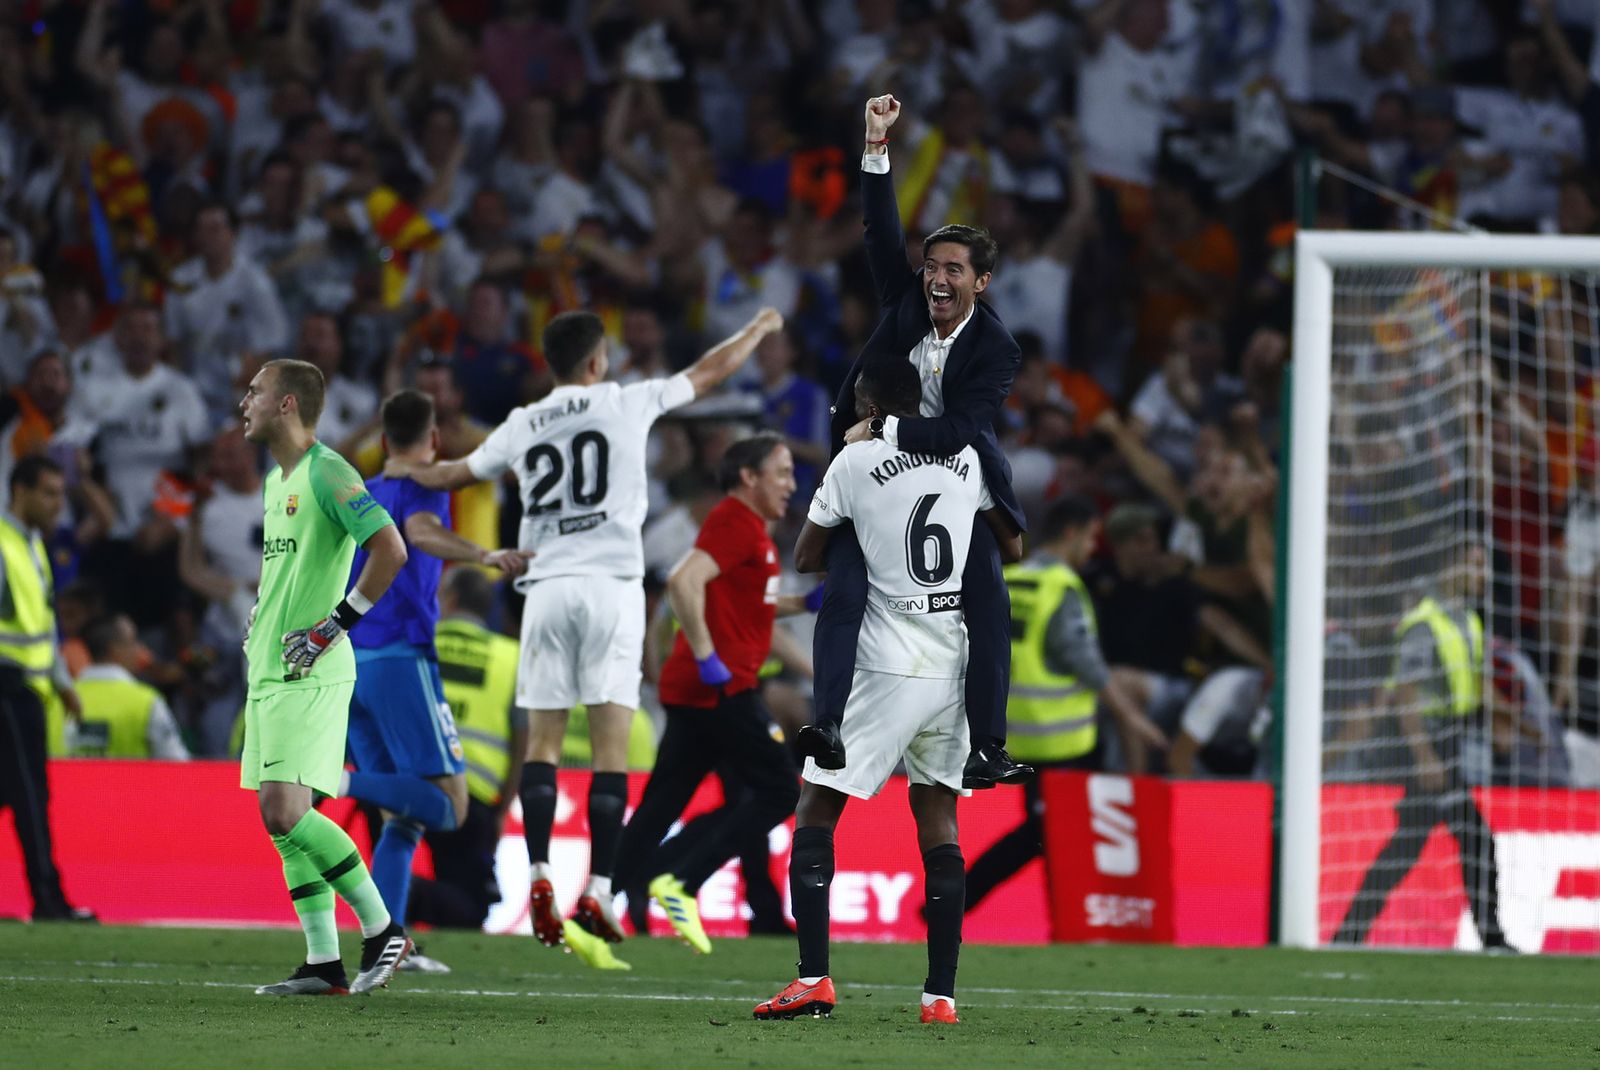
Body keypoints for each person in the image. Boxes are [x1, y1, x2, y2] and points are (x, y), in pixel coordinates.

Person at [386, 305, 785, 970]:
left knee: (542, 739)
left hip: (545, 586)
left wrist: (408, 470)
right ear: (599, 361)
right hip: (611, 588)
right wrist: (757, 330)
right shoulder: (626, 401)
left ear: (551, 364)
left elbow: (455, 474)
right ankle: (598, 891)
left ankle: (539, 871)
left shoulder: (522, 422)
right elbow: (709, 375)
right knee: (608, 746)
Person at [755, 358, 1022, 1025]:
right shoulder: (964, 455)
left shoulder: (855, 463)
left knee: (816, 809)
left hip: (884, 661)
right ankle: (940, 998)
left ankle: (813, 979)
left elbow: (807, 556)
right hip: (954, 661)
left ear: (870, 407)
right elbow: (1002, 539)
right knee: (938, 819)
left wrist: (856, 530)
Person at [801, 93, 1030, 791]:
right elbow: (878, 234)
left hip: (953, 470)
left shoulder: (997, 349)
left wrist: (885, 427)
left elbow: (961, 431)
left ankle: (987, 745)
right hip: (873, 467)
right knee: (843, 590)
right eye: (932, 265)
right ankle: (830, 726)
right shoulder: (907, 302)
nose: (936, 276)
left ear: (980, 282)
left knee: (989, 595)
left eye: (953, 269)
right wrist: (876, 145)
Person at [337, 389, 528, 973]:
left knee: (403, 820)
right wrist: (483, 553)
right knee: (452, 806)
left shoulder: (365, 492)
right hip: (399, 655)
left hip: (354, 660)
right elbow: (419, 534)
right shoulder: (424, 485)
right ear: (434, 441)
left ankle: (384, 946)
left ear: (383, 439)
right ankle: (336, 783)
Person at [238, 358, 413, 996]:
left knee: (286, 811)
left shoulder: (327, 470)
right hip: (268, 666)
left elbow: (390, 549)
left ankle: (383, 928)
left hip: (310, 668)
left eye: (255, 391)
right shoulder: (275, 480)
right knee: (279, 818)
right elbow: (286, 571)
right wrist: (263, 612)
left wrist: (333, 626)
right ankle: (322, 962)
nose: (244, 401)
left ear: (287, 403)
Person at [612, 432, 811, 955]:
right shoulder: (735, 523)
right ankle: (680, 879)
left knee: (663, 804)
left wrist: (810, 600)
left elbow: (759, 603)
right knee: (777, 789)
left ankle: (597, 904)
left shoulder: (750, 534)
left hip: (702, 690)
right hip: (722, 688)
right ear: (749, 477)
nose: (792, 484)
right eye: (782, 472)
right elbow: (683, 582)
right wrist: (707, 656)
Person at [964, 495, 1157, 914]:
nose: (1092, 549)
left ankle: (1061, 914)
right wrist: (1131, 717)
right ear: (1070, 534)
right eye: (1090, 538)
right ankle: (959, 898)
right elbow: (1082, 660)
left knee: (1049, 833)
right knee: (1051, 833)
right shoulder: (1062, 588)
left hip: (1015, 734)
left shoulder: (1009, 579)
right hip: (1067, 740)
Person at [1331, 544, 1512, 952]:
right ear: (1450, 565)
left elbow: (1476, 681)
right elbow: (1405, 695)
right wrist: (1424, 755)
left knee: (1407, 845)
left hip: (1450, 739)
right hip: (1424, 743)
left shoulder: (1467, 620)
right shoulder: (1423, 624)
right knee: (1476, 837)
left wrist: (1510, 720)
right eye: (1475, 563)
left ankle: (1349, 934)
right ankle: (1493, 938)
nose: (1482, 574)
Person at [407, 567, 529, 933]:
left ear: (452, 599)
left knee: (415, 867)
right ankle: (399, 896)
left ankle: (395, 896)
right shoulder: (511, 657)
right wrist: (502, 808)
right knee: (471, 906)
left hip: (409, 783)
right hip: (472, 795)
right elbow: (524, 740)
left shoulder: (417, 643)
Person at [0, 455, 94, 922]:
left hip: (28, 686)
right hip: (7, 685)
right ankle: (49, 900)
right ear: (21, 491)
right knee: (29, 794)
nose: (59, 503)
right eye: (49, 493)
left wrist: (60, 683)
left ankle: (49, 897)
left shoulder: (30, 544)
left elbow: (42, 624)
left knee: (15, 792)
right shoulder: (5, 544)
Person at [68, 614, 189, 759]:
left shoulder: (59, 701)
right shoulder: (146, 702)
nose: (140, 649)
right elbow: (177, 763)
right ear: (114, 650)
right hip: (132, 782)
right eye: (133, 641)